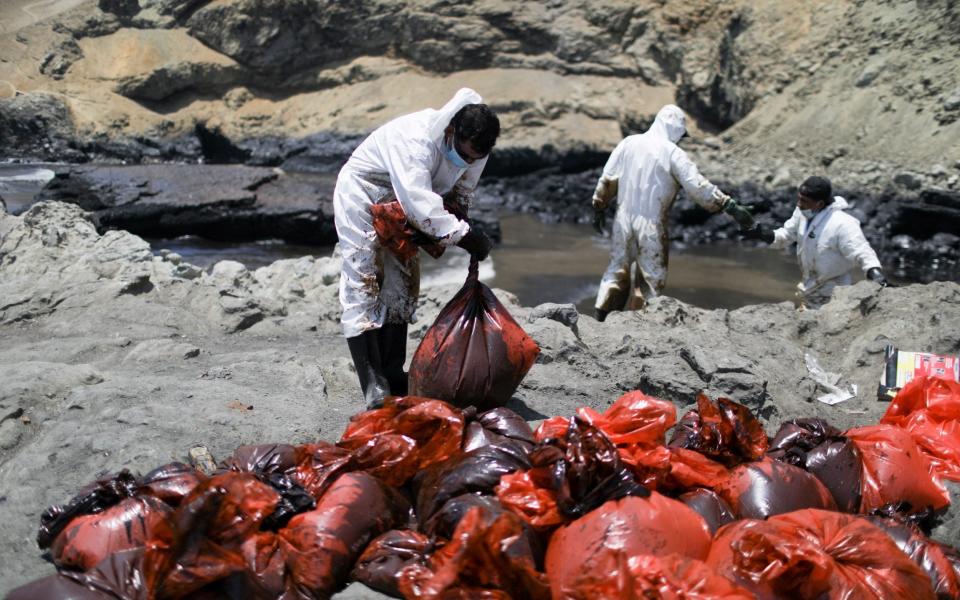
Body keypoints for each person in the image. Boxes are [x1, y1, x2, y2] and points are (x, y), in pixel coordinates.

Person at [333, 88, 498, 408]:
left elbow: (463, 189)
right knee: (362, 280)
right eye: (463, 155)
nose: (467, 162)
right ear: (451, 131)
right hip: (366, 192)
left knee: (403, 282)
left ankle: (393, 371)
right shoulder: (415, 141)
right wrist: (465, 236)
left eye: (475, 158)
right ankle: (372, 382)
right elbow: (420, 206)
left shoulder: (476, 149)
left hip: (409, 202)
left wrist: (460, 216)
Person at [591, 104, 754, 321]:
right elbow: (697, 186)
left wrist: (599, 207)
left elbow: (608, 179)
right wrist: (729, 206)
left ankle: (601, 319)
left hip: (622, 220)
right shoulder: (672, 152)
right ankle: (640, 323)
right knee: (651, 277)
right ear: (676, 129)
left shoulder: (629, 143)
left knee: (617, 270)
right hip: (652, 223)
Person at [743, 175, 887, 308]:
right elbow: (787, 235)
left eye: (804, 201)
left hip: (834, 294)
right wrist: (763, 234)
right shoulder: (802, 213)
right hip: (809, 290)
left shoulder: (843, 223)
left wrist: (874, 272)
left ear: (819, 203)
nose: (799, 204)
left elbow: (861, 250)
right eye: (799, 198)